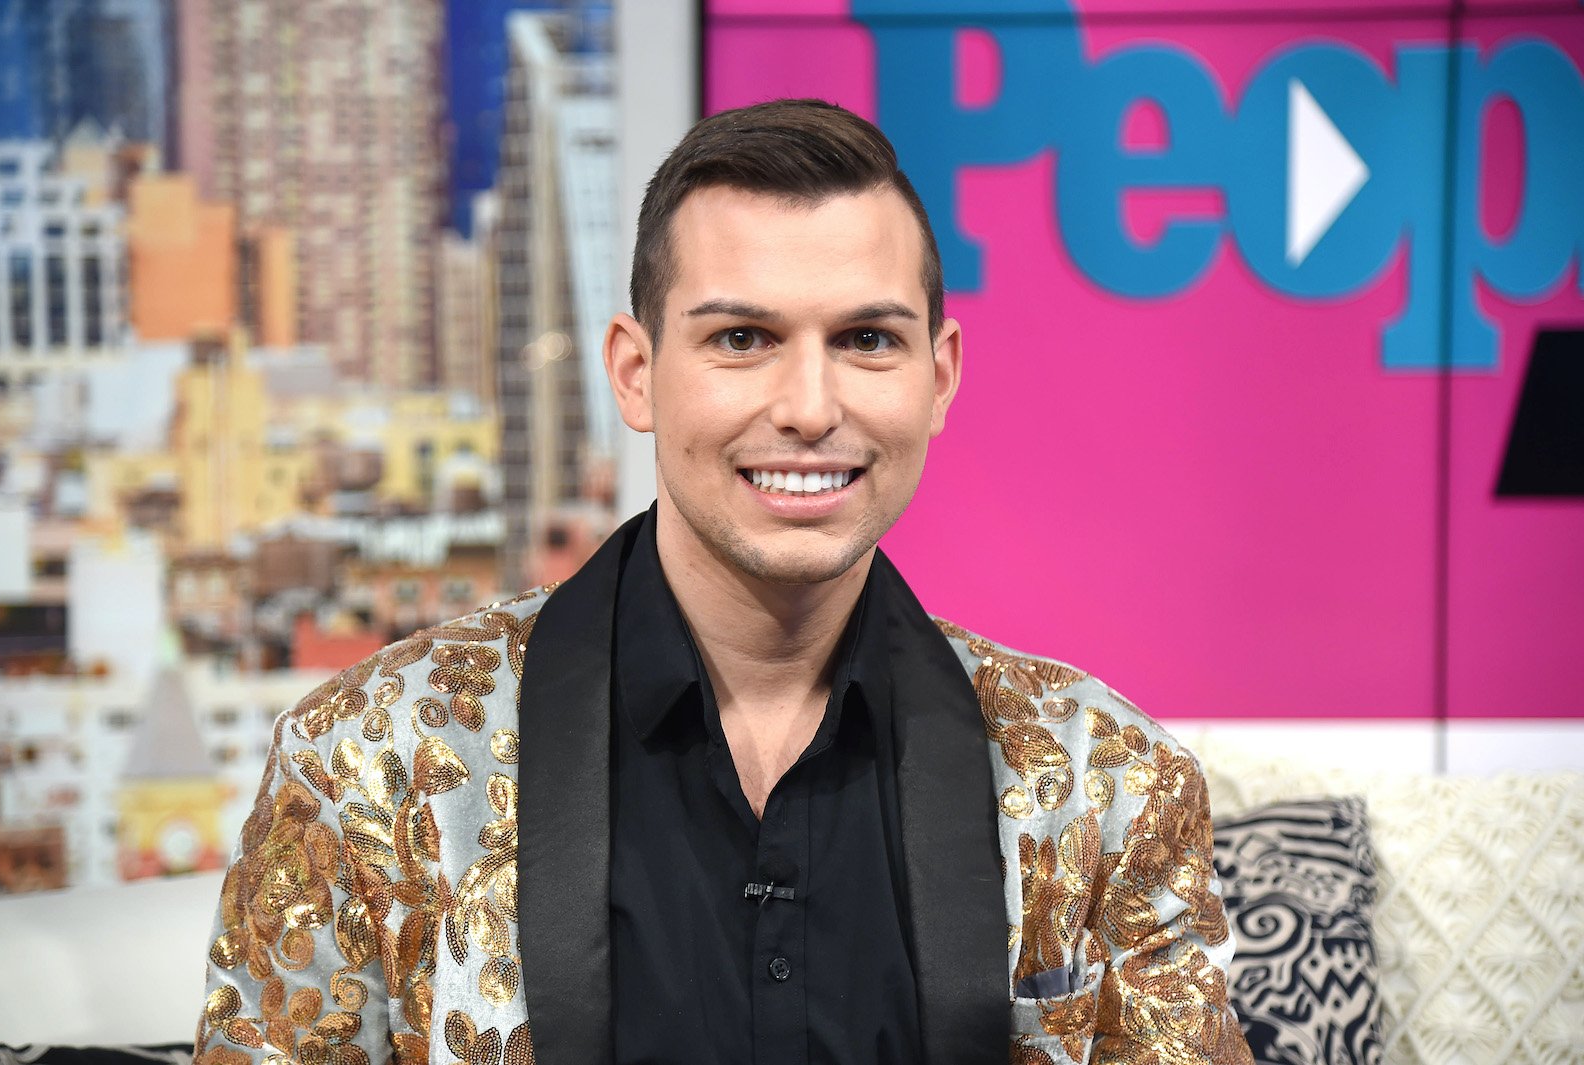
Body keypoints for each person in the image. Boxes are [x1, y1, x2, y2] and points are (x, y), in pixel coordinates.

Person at [194, 99, 1251, 1065]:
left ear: (939, 377)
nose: (806, 405)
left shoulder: (1108, 781)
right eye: (741, 339)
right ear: (636, 372)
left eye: (866, 340)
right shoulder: (368, 761)